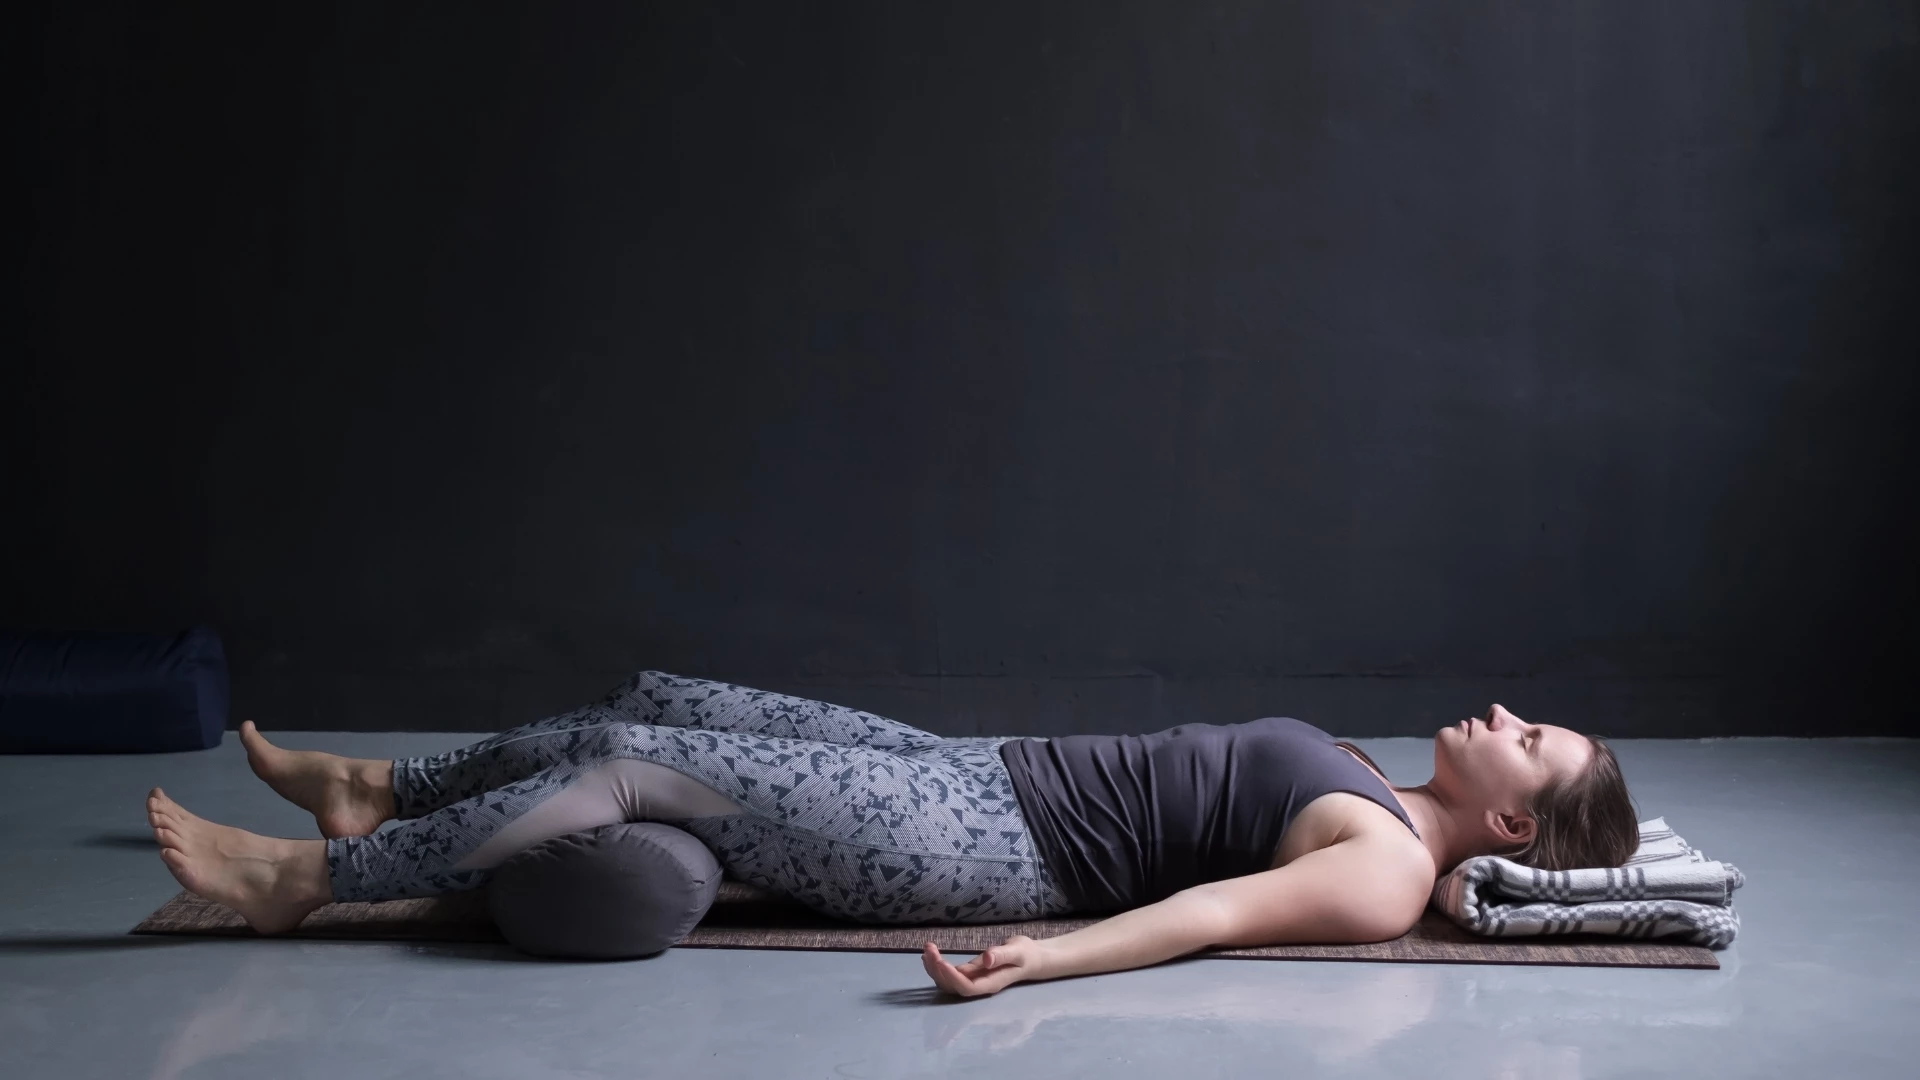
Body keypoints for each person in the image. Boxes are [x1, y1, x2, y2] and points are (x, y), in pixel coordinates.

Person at [145, 670, 1637, 998]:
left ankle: (313, 879)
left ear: (1510, 815)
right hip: (977, 767)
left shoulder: (1386, 871)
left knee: (638, 761)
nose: (1510, 712)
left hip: (987, 840)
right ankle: (386, 793)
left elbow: (1207, 920)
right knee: (670, 690)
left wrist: (1033, 963)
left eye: (1535, 738)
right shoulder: (1381, 784)